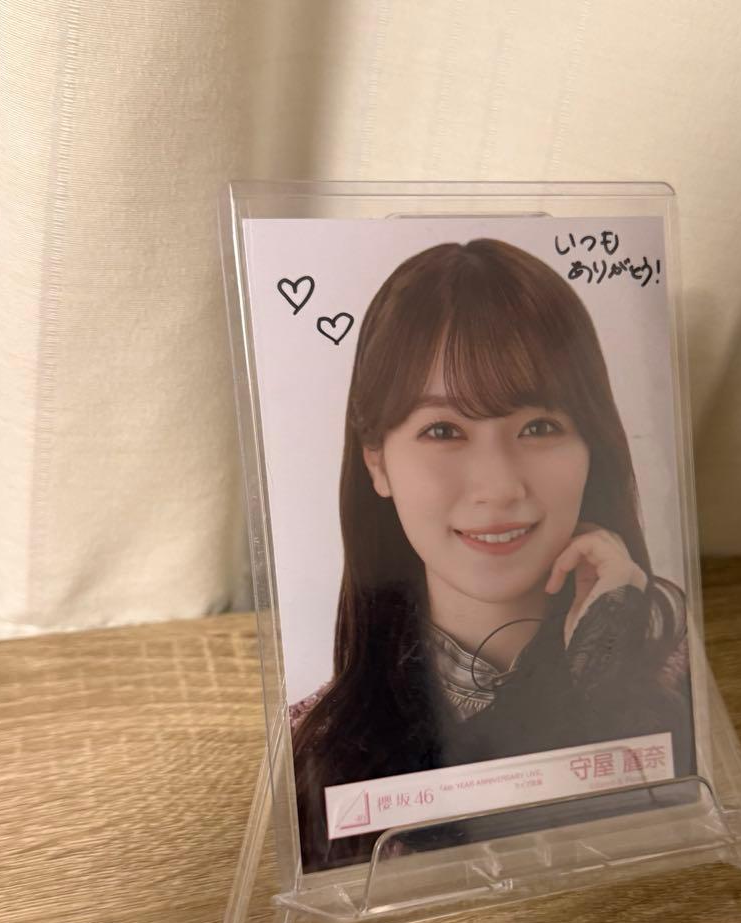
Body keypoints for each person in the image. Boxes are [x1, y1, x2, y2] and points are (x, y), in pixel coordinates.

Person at [290, 238, 693, 872]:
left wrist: (604, 675)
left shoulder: (678, 675)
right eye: (443, 430)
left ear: (593, 446)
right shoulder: (312, 744)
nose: (499, 485)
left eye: (539, 426)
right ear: (377, 461)